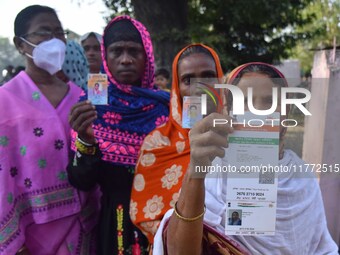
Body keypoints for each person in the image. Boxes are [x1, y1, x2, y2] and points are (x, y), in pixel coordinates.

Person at [153, 62, 338, 254]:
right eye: (245, 102)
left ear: (286, 112)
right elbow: (180, 251)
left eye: (270, 102)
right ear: (231, 110)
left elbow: (321, 248)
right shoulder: (213, 172)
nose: (258, 113)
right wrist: (195, 172)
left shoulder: (301, 177)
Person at [0, 5, 98, 255]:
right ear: (20, 44)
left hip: (82, 227)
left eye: (59, 32)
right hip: (30, 231)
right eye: (43, 32)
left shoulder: (80, 97)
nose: (54, 40)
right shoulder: (5, 100)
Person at [67, 15, 169, 254]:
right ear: (106, 56)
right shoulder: (90, 108)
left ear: (148, 56)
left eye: (134, 51)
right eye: (116, 51)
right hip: (116, 223)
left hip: (163, 220)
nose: (125, 60)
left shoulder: (167, 108)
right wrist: (86, 140)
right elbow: (81, 180)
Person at [130, 44, 224, 246]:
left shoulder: (244, 138)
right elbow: (145, 215)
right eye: (188, 80)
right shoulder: (157, 143)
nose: (199, 88)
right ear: (176, 88)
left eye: (208, 76)